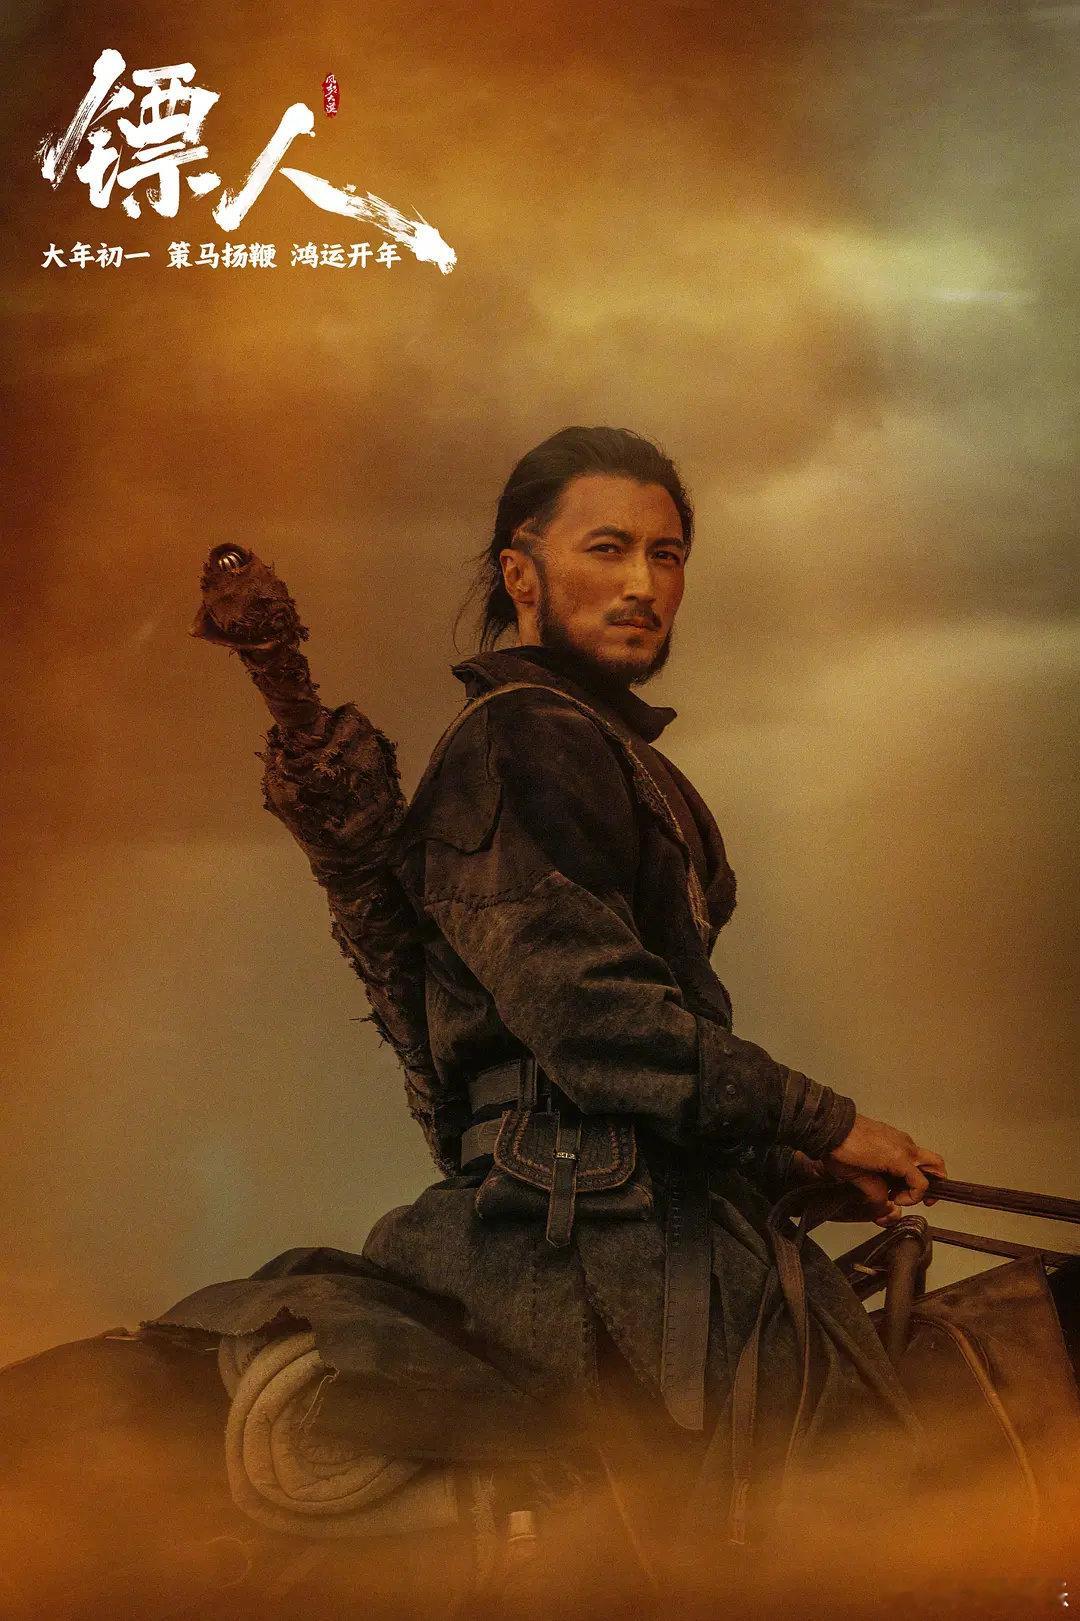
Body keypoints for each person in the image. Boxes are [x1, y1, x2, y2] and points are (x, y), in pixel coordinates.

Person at [0, 426, 948, 1618]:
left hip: (650, 1200)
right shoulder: (522, 736)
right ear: (521, 573)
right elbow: (588, 1015)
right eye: (606, 548)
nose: (643, 582)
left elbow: (640, 1036)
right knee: (849, 1499)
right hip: (583, 1239)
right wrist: (826, 1116)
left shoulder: (611, 752)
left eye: (666, 555)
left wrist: (790, 1158)